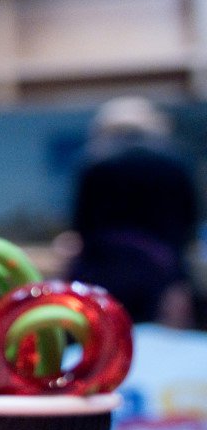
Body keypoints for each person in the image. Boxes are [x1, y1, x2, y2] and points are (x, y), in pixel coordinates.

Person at [67, 96, 198, 328]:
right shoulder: (173, 165)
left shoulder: (94, 165)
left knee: (103, 342)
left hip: (100, 272)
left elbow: (81, 225)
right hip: (161, 273)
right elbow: (186, 226)